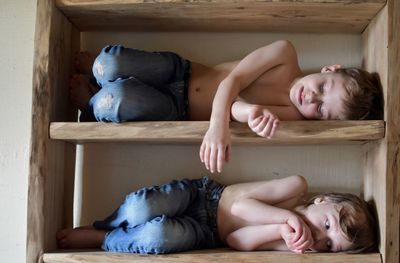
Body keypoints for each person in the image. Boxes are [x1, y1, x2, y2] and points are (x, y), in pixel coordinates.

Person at [70, 40, 383, 173]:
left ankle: (91, 101)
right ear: (329, 69)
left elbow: (238, 107)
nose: (313, 99)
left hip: (176, 111)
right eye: (324, 88)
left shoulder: (290, 115)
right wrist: (217, 126)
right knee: (107, 65)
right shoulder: (285, 54)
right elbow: (231, 81)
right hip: (181, 72)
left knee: (119, 99)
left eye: (324, 110)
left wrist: (251, 114)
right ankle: (99, 75)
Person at [56, 175, 377, 254]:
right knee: (143, 207)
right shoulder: (295, 187)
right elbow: (238, 208)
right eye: (327, 224)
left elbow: (235, 238)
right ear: (320, 200)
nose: (319, 236)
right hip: (204, 196)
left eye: (329, 245)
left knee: (158, 237)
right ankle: (107, 225)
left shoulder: (290, 245)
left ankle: (105, 239)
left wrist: (280, 234)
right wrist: (284, 218)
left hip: (207, 233)